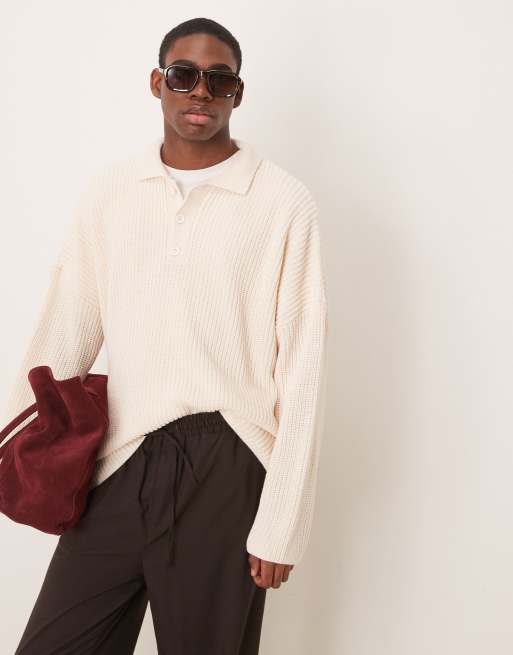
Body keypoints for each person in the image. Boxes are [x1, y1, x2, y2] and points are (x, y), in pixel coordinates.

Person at [4, 16, 329, 655]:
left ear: (238, 93)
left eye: (219, 80)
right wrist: (13, 450)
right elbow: (66, 328)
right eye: (184, 76)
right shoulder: (112, 192)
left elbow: (304, 369)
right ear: (158, 83)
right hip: (123, 453)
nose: (200, 92)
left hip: (228, 461)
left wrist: (282, 522)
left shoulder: (282, 203)